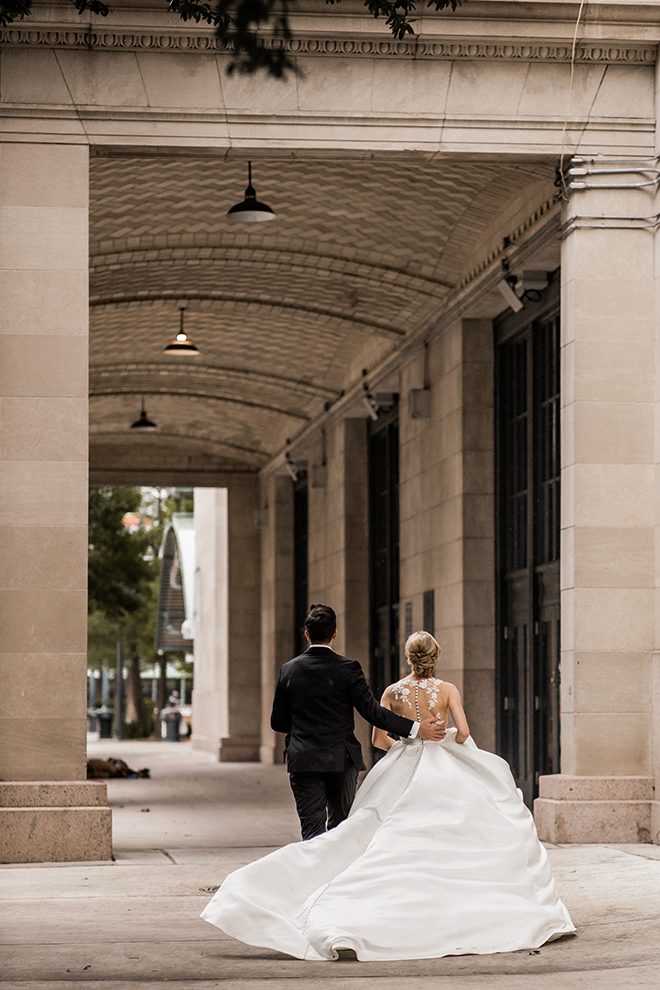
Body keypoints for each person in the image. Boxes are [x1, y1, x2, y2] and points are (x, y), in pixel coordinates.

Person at [202, 629, 575, 961]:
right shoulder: (447, 690)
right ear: (436, 656)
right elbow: (463, 732)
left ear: (409, 657)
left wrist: (406, 739)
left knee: (374, 826)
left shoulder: (393, 691)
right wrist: (443, 738)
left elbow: (379, 738)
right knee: (459, 825)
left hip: (402, 760)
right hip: (442, 763)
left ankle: (318, 884)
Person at [269, 604, 445, 840]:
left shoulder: (288, 671)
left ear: (307, 634)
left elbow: (278, 722)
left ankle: (314, 875)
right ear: (335, 634)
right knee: (341, 829)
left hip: (304, 760)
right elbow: (373, 712)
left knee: (311, 832)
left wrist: (305, 725)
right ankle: (337, 876)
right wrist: (416, 728)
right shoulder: (348, 669)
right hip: (341, 760)